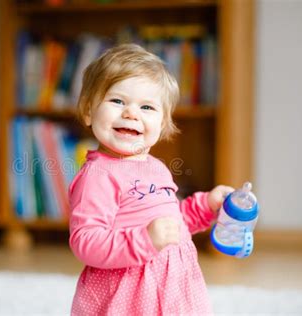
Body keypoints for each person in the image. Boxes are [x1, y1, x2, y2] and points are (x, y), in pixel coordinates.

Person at [68, 43, 234, 315]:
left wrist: (206, 205)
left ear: (163, 124)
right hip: (128, 295)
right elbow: (86, 241)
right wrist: (144, 240)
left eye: (147, 107)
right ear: (88, 111)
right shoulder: (98, 176)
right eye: (117, 101)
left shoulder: (155, 168)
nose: (131, 113)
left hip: (174, 288)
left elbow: (170, 226)